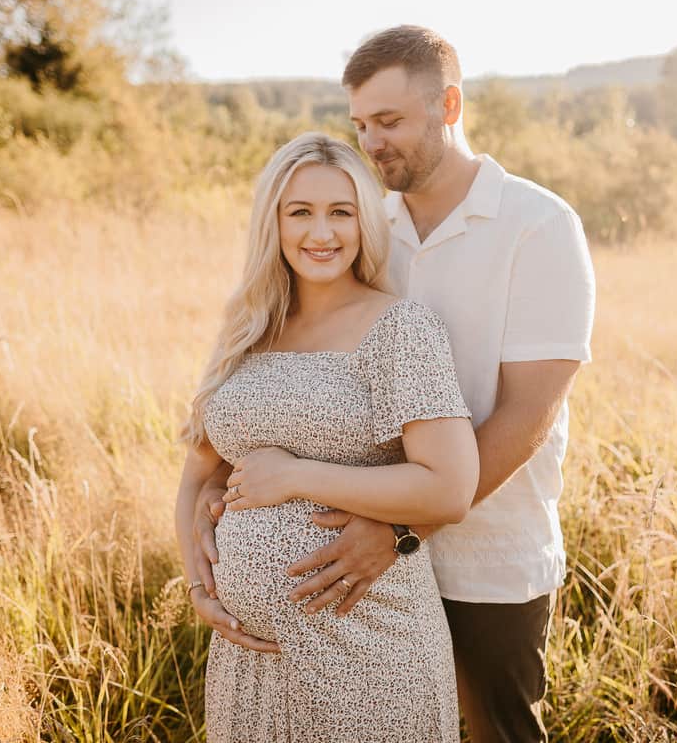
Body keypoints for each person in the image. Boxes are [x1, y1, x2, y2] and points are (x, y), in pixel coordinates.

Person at [194, 26, 596, 743]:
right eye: (359, 125)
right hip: (351, 562)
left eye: (389, 121)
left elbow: (529, 411)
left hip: (485, 556)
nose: (371, 142)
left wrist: (402, 528)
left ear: (448, 104)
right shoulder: (363, 222)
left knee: (496, 732)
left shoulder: (537, 227)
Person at [174, 131, 480, 742]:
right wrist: (198, 583)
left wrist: (297, 475)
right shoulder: (248, 330)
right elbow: (197, 477)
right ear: (274, 223)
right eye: (300, 213)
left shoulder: (399, 328)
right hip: (251, 659)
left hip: (367, 646)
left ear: (365, 222)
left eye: (341, 212)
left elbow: (449, 488)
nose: (322, 233)